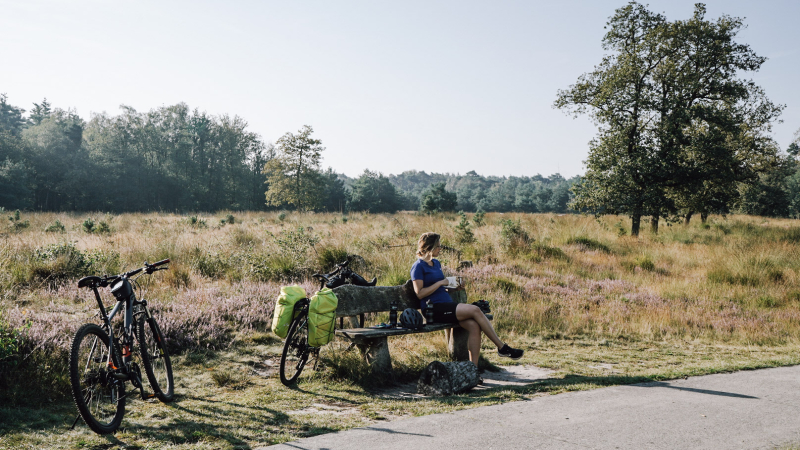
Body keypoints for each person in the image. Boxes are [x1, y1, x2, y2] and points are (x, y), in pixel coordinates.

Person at [410, 232, 523, 368]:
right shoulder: (418, 267)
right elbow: (420, 294)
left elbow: (439, 290)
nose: (441, 248)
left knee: (474, 326)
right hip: (433, 310)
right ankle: (501, 347)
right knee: (475, 309)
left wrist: (453, 289)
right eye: (438, 246)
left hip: (446, 306)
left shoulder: (436, 263)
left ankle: (473, 370)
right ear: (429, 247)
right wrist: (440, 283)